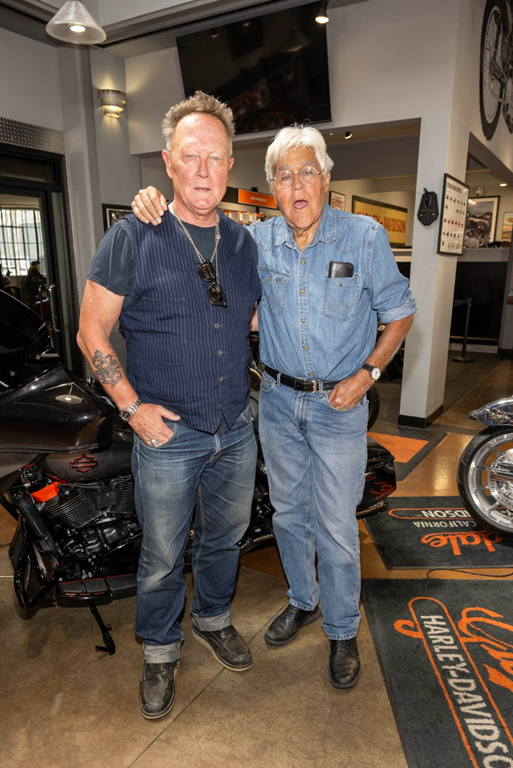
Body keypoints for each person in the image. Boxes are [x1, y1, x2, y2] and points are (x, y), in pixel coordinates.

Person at [131, 124, 416, 690]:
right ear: (272, 188)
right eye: (284, 176)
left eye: (307, 171)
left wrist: (368, 374)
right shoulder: (256, 242)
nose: (297, 185)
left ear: (327, 178)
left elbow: (400, 311)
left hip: (340, 404)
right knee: (287, 513)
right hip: (279, 403)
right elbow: (208, 248)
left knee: (335, 524)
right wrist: (154, 203)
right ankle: (303, 600)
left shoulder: (363, 238)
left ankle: (341, 629)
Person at [77, 92, 261, 720]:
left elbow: (252, 320)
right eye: (191, 156)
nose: (204, 169)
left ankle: (212, 619)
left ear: (231, 164)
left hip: (235, 427)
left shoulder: (245, 245)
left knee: (226, 540)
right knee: (160, 555)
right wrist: (132, 409)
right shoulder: (133, 235)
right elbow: (91, 333)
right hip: (165, 435)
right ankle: (159, 652)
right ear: (168, 162)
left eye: (215, 157)